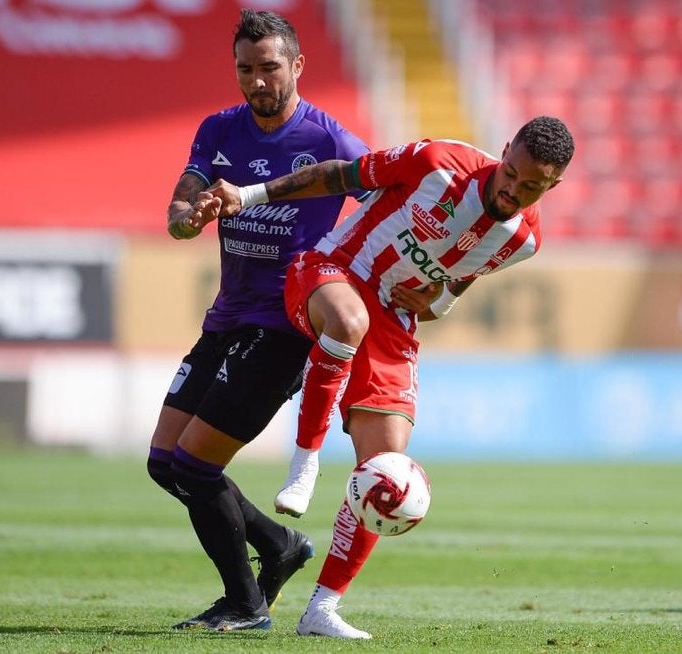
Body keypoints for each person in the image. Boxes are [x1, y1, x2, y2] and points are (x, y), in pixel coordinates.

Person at [189, 116, 575, 637]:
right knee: (349, 320)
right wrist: (250, 194)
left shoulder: (523, 241)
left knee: (388, 472)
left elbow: (456, 280)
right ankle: (305, 464)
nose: (513, 188)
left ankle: (322, 609)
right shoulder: (439, 162)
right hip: (332, 272)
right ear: (504, 151)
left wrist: (438, 300)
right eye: (510, 172)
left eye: (531, 186)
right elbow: (337, 175)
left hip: (393, 321)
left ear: (553, 185)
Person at [145, 8, 437, 633]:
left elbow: (387, 197)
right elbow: (180, 202)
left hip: (282, 327)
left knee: (196, 467)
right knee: (165, 463)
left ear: (297, 66)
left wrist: (404, 274)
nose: (257, 82)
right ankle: (279, 546)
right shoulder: (219, 129)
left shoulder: (329, 140)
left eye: (269, 68)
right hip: (225, 319)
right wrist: (186, 216)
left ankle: (246, 604)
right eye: (245, 69)